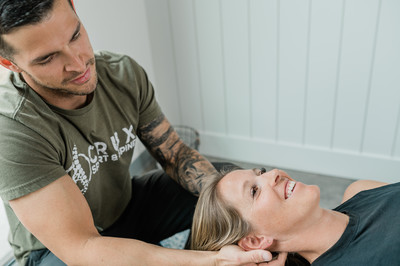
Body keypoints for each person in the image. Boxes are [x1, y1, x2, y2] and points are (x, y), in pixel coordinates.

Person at [0, 0, 279, 265]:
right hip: (60, 250)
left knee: (229, 184)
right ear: (9, 63)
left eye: (75, 35)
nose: (77, 63)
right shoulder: (12, 129)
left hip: (128, 207)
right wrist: (212, 262)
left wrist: (238, 203)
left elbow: (177, 155)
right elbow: (82, 248)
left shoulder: (122, 74)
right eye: (47, 58)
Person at [191, 167, 400, 265]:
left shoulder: (358, 191)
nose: (273, 174)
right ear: (256, 241)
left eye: (260, 172)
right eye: (254, 191)